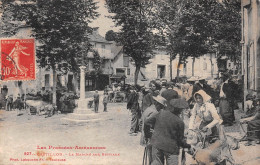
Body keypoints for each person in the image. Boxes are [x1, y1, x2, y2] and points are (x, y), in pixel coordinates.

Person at [145, 97, 191, 165]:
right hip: (171, 149)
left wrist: (148, 135)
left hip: (157, 144)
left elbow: (146, 122)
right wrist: (187, 146)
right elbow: (180, 141)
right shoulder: (180, 122)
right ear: (181, 110)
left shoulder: (161, 113)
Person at [140, 95, 166, 165]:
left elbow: (141, 122)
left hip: (145, 135)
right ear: (158, 104)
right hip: (150, 137)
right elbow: (146, 123)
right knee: (154, 158)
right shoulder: (155, 112)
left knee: (151, 157)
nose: (161, 108)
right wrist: (148, 135)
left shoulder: (148, 108)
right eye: (161, 107)